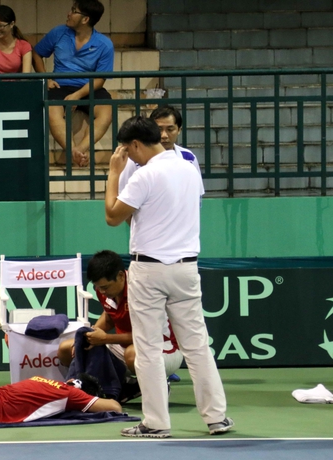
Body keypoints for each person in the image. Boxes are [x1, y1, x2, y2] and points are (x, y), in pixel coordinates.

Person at [104, 115, 233, 438]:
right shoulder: (188, 168)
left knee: (147, 348)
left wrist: (113, 173)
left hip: (149, 269)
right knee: (198, 345)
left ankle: (156, 423)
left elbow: (112, 216)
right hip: (187, 267)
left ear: (135, 144)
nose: (128, 157)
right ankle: (216, 417)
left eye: (128, 151)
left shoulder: (143, 176)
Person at [57, 250, 182, 400]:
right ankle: (125, 387)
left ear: (121, 276)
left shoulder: (141, 290)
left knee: (132, 354)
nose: (102, 292)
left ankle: (159, 386)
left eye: (106, 287)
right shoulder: (104, 290)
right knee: (67, 349)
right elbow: (109, 317)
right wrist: (88, 336)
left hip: (164, 347)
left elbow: (145, 335)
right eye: (98, 287)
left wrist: (104, 339)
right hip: (125, 345)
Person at [32, 0, 114, 167]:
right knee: (52, 110)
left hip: (88, 87)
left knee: (107, 111)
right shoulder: (59, 32)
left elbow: (100, 78)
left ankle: (80, 150)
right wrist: (46, 78)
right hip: (60, 85)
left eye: (73, 11)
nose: (69, 14)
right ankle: (73, 151)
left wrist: (78, 95)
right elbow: (37, 53)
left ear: (85, 19)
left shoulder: (104, 44)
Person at [119, 105, 201, 192]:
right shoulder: (134, 160)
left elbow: (196, 193)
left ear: (179, 130)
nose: (164, 136)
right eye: (159, 129)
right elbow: (122, 193)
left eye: (170, 129)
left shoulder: (189, 158)